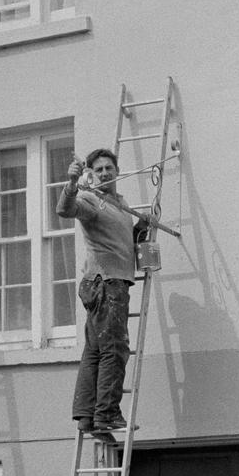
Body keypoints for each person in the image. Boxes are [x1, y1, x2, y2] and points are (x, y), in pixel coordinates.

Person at [57, 148, 150, 437]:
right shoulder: (91, 200)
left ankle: (87, 416)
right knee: (115, 348)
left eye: (109, 168)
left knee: (96, 350)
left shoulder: (119, 204)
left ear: (117, 171)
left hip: (108, 281)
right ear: (91, 174)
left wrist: (140, 228)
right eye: (98, 169)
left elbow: (120, 242)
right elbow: (65, 209)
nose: (105, 173)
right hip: (106, 284)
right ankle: (107, 413)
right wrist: (72, 184)